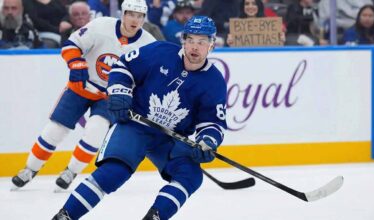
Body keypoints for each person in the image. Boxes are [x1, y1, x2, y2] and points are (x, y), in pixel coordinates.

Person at [53, 15, 227, 220]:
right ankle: (65, 215)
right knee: (114, 172)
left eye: (202, 41)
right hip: (136, 124)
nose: (194, 47)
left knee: (190, 176)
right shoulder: (160, 52)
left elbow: (212, 122)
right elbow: (122, 66)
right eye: (190, 40)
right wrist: (119, 92)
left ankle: (154, 217)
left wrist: (207, 142)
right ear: (184, 40)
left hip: (170, 137)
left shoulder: (215, 81)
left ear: (212, 44)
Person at [11, 0, 155, 191]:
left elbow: (149, 78)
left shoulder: (148, 44)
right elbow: (71, 45)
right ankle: (30, 168)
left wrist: (134, 96)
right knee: (55, 130)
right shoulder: (101, 25)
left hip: (109, 97)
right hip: (80, 87)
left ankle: (70, 172)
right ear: (123, 14)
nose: (134, 20)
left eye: (139, 16)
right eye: (131, 14)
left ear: (144, 18)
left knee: (96, 132)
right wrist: (76, 63)